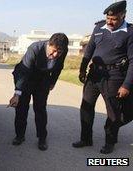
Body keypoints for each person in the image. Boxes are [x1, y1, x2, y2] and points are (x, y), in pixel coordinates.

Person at [72, 0, 133, 154]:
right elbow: (89, 51)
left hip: (114, 76)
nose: (110, 22)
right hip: (94, 74)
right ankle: (86, 139)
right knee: (86, 106)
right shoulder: (99, 27)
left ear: (123, 15)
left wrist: (126, 85)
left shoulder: (130, 32)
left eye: (114, 19)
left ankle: (110, 142)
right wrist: (82, 70)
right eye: (108, 18)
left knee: (113, 111)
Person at [8, 33, 68, 151]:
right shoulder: (34, 48)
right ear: (49, 44)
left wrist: (52, 82)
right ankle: (19, 136)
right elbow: (24, 72)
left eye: (59, 52)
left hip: (43, 79)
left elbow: (59, 66)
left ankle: (42, 138)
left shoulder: (62, 51)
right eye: (54, 51)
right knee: (21, 108)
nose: (56, 55)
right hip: (25, 77)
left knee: (40, 109)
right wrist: (17, 94)